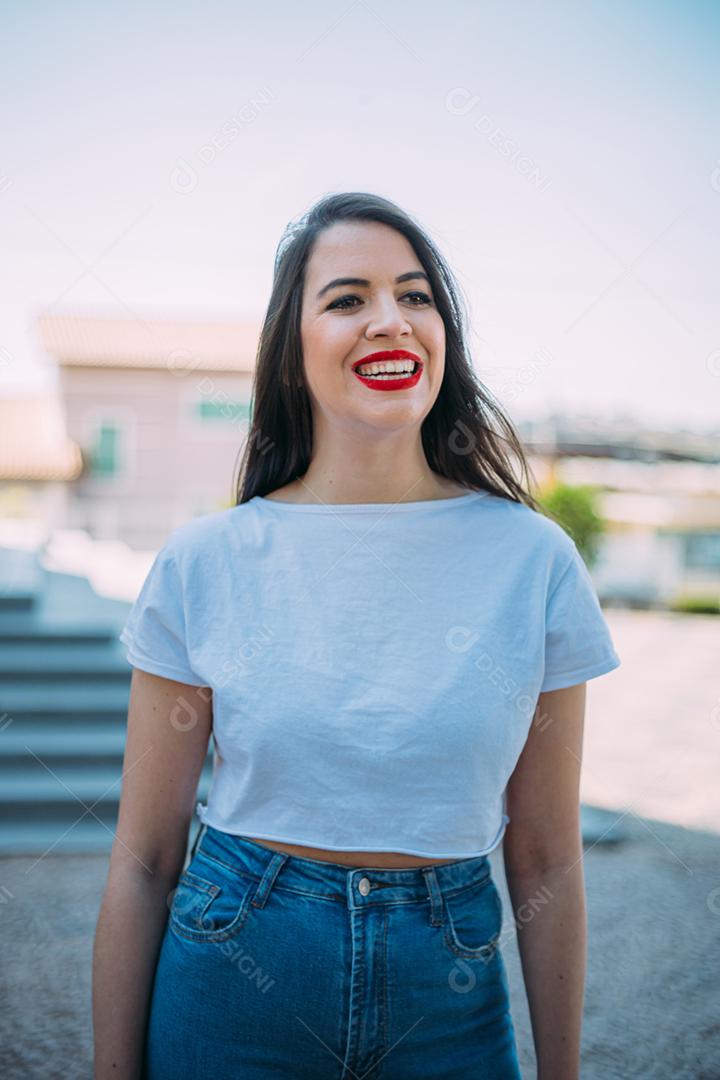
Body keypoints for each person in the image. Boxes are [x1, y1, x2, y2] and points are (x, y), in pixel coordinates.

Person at [92, 191, 621, 1080]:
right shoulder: (206, 561)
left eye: (417, 297)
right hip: (233, 979)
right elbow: (145, 861)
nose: (392, 322)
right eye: (347, 299)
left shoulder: (534, 560)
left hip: (448, 998)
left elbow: (546, 862)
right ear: (293, 354)